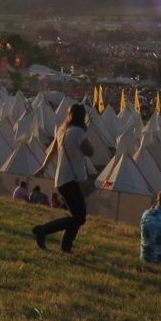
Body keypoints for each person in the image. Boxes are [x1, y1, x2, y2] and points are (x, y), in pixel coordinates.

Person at [31, 103, 95, 253]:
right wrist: (87, 135)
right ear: (82, 117)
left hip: (60, 179)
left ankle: (65, 246)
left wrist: (43, 167)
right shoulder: (78, 132)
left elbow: (52, 151)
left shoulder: (62, 130)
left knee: (78, 216)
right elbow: (90, 152)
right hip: (71, 179)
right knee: (80, 217)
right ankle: (43, 231)